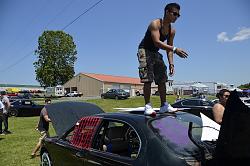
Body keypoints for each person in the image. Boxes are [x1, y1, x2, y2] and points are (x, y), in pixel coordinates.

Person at [137, 3, 188, 115]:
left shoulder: (172, 31)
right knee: (148, 78)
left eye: (178, 15)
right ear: (167, 12)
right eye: (174, 14)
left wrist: (171, 64)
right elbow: (157, 42)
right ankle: (148, 106)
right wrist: (175, 49)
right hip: (144, 50)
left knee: (162, 78)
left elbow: (168, 49)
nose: (176, 17)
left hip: (155, 52)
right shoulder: (155, 24)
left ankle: (164, 105)